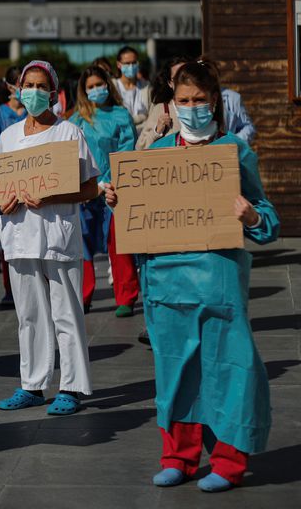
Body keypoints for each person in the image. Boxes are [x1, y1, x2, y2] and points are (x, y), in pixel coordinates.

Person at [104, 59, 279, 493]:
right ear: (172, 103)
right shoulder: (156, 154)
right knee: (174, 372)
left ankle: (228, 462)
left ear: (214, 101)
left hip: (219, 282)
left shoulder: (235, 152)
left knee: (227, 370)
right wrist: (117, 199)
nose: (191, 107)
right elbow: (135, 210)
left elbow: (269, 220)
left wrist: (253, 216)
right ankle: (178, 459)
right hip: (168, 285)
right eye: (183, 100)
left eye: (199, 99)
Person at [0, 60, 98, 415]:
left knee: (66, 311)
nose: (34, 92)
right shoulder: (8, 136)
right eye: (29, 85)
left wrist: (53, 196)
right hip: (20, 233)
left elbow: (90, 188)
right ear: (18, 90)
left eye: (41, 86)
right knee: (29, 314)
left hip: (57, 233)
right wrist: (2, 204)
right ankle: (33, 385)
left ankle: (71, 386)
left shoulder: (69, 133)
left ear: (53, 93)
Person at [69, 65, 139, 317]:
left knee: (118, 244)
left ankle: (126, 296)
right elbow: (69, 156)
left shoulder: (121, 115)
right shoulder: (76, 120)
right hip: (84, 191)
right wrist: (84, 186)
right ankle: (83, 296)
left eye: (99, 84)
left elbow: (127, 151)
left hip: (114, 189)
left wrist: (107, 183)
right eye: (91, 87)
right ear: (83, 91)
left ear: (108, 85)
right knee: (81, 246)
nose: (96, 89)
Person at [0, 66, 27, 306]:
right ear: (9, 86)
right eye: (18, 83)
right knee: (9, 240)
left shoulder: (35, 113)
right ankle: (11, 290)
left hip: (33, 184)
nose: (23, 89)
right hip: (6, 185)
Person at [136, 56, 193, 150]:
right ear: (170, 83)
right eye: (177, 78)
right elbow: (140, 147)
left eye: (186, 77)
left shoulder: (204, 107)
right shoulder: (161, 109)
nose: (182, 82)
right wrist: (157, 131)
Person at [112, 46, 150, 133]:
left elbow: (151, 114)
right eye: (127, 63)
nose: (131, 66)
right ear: (118, 64)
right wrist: (142, 117)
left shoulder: (146, 87)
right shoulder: (113, 87)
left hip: (144, 134)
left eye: (134, 62)